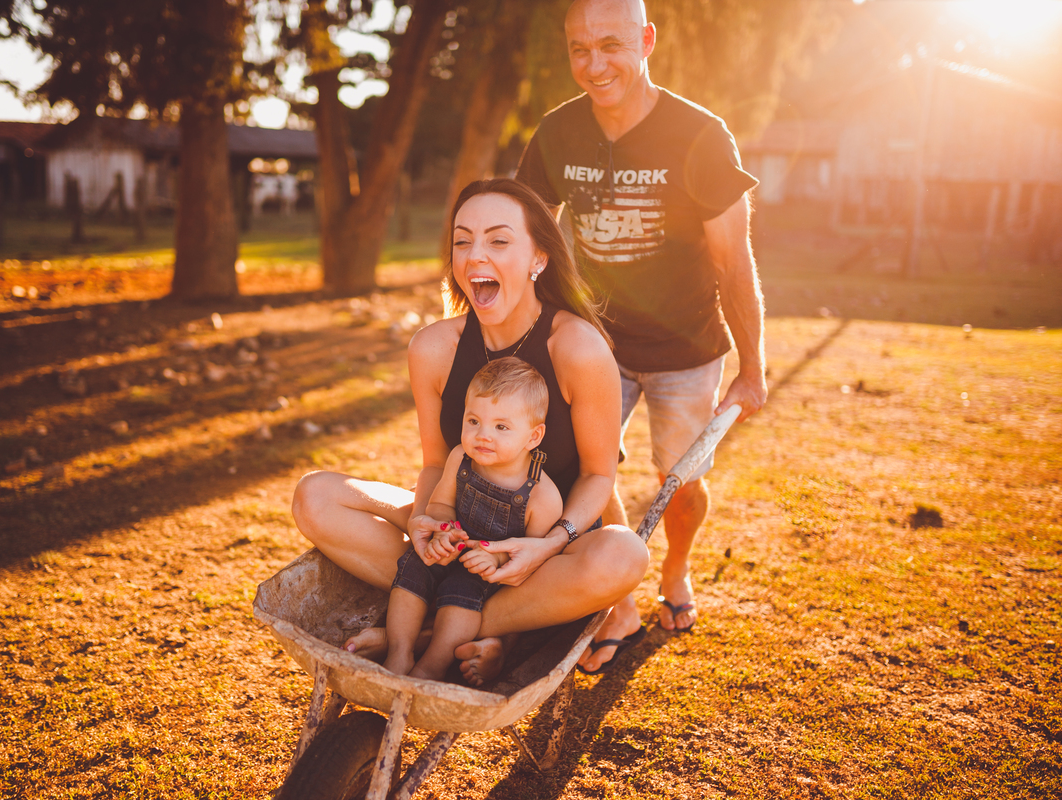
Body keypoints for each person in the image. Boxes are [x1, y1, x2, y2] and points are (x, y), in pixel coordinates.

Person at [292, 177, 649, 683]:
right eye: (463, 241)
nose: (475, 254)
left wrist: (547, 545)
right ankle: (473, 621)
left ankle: (421, 632)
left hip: (540, 546)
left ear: (538, 258)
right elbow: (437, 463)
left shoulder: (577, 348)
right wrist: (422, 521)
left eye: (498, 240)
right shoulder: (433, 348)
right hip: (456, 530)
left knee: (625, 554)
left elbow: (598, 474)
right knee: (315, 496)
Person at [515, 0, 768, 666]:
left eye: (611, 46)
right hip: (597, 343)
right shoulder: (558, 132)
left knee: (677, 481)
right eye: (579, 50)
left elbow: (732, 260)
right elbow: (526, 234)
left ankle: (675, 570)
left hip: (686, 348)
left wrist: (753, 366)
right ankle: (619, 605)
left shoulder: (700, 135)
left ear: (647, 41)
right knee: (575, 468)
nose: (594, 65)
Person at [384, 358, 564, 681]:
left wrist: (495, 556)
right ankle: (399, 651)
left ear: (534, 437)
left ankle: (432, 666)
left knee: (461, 591)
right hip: (450, 550)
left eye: (501, 427)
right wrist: (442, 531)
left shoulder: (543, 496)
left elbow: (532, 558)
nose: (483, 435)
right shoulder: (460, 459)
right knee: (414, 566)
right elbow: (441, 504)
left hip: (487, 580)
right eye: (474, 421)